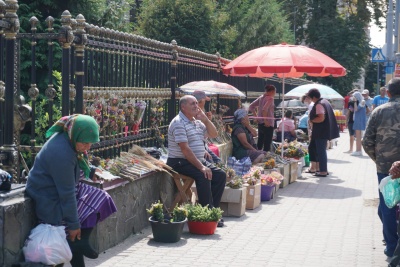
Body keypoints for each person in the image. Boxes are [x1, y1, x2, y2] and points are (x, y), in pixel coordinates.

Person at [25, 114, 117, 267]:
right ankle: (76, 241)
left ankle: (79, 241)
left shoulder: (69, 140)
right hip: (48, 197)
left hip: (60, 191)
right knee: (71, 231)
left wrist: (92, 171)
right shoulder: (61, 153)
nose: (87, 147)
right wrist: (74, 225)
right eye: (85, 143)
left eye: (90, 143)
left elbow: (77, 166)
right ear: (76, 136)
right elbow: (67, 194)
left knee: (100, 197)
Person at [167, 95, 226, 227]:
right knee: (203, 175)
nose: (196, 106)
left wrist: (205, 119)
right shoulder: (178, 123)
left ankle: (213, 212)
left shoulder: (196, 122)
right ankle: (206, 215)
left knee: (220, 175)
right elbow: (185, 149)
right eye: (192, 104)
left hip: (195, 159)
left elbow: (214, 134)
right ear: (183, 107)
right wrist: (202, 167)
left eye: (196, 103)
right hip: (179, 161)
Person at [363, 77, 400, 261]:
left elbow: (366, 141)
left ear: (388, 93)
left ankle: (392, 246)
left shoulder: (379, 111)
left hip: (386, 168)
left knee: (387, 205)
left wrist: (378, 159)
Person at [307, 88, 339, 177]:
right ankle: (323, 169)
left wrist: (312, 120)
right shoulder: (325, 101)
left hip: (321, 131)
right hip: (324, 131)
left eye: (311, 98)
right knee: (321, 151)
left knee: (321, 151)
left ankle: (323, 171)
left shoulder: (319, 104)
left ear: (313, 97)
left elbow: (321, 118)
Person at [192, 90, 221, 164]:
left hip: (204, 145)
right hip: (198, 147)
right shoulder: (193, 114)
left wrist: (208, 120)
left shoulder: (201, 111)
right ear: (201, 101)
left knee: (218, 162)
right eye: (204, 100)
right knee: (213, 163)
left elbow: (213, 134)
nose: (205, 102)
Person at [248, 84, 276, 152]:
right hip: (268, 123)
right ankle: (266, 159)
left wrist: (256, 117)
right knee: (267, 143)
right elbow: (264, 109)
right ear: (272, 91)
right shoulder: (270, 98)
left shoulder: (261, 97)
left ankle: (258, 156)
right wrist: (265, 120)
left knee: (260, 142)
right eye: (275, 92)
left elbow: (251, 106)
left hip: (260, 123)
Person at [351, 91, 366, 156]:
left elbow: (356, 109)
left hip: (359, 120)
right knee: (357, 136)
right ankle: (358, 150)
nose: (353, 98)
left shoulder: (362, 101)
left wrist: (354, 102)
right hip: (358, 119)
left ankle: (358, 150)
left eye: (354, 97)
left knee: (358, 136)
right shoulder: (360, 102)